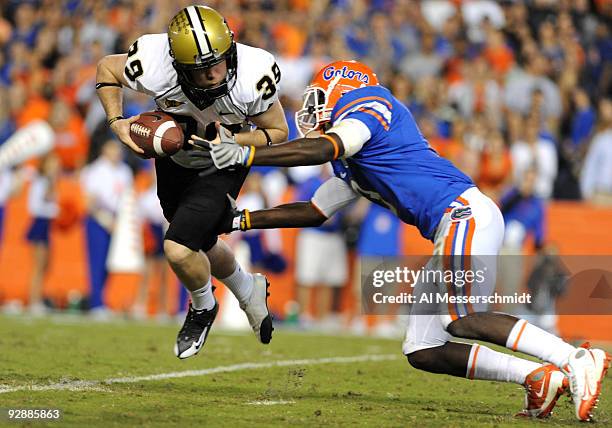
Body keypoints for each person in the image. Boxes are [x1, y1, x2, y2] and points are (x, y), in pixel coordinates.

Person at [190, 60, 610, 421]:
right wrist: (242, 219)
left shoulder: (370, 105)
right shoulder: (354, 162)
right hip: (453, 222)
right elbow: (314, 210)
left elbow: (327, 146)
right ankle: (536, 378)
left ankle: (575, 358)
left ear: (344, 89)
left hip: (462, 211)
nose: (313, 106)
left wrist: (247, 153)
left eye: (321, 96)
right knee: (423, 348)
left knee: (461, 318)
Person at [95, 5, 288, 358]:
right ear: (180, 68)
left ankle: (202, 307)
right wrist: (116, 121)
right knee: (201, 241)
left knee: (179, 247)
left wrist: (234, 142)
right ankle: (247, 289)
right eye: (203, 70)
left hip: (225, 159)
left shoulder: (252, 73)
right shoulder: (154, 61)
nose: (216, 75)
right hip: (175, 158)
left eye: (220, 62)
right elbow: (107, 67)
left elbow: (277, 131)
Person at [80, 139, 133, 317]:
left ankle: (102, 299)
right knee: (97, 262)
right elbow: (90, 202)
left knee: (110, 264)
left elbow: (127, 198)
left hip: (118, 222)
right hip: (99, 221)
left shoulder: (124, 171)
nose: (117, 153)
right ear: (104, 150)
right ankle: (96, 303)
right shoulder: (95, 171)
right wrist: (105, 220)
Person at [26, 152, 60, 315]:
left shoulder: (49, 182)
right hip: (39, 222)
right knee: (39, 266)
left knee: (46, 265)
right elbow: (36, 205)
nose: (55, 168)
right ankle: (34, 300)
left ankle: (37, 298)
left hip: (46, 223)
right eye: (52, 165)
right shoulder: (40, 182)